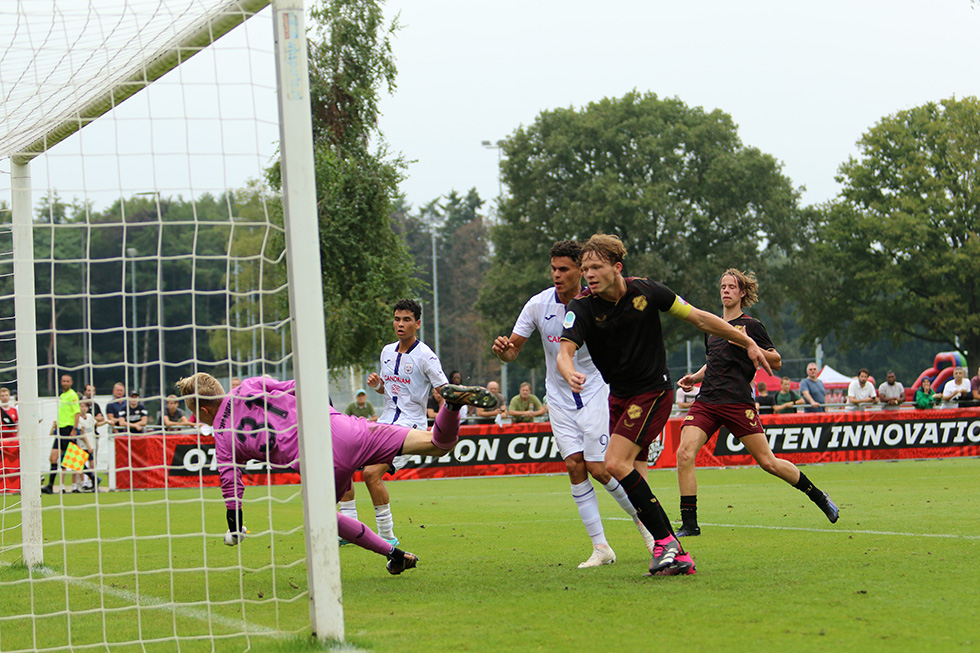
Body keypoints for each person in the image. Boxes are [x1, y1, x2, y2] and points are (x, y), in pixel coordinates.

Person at [557, 234, 772, 576]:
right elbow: (564, 351)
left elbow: (700, 318)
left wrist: (745, 340)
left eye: (596, 267)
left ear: (617, 267)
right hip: (620, 397)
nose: (589, 275)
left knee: (614, 462)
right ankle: (674, 551)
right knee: (632, 478)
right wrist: (569, 373)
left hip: (653, 391)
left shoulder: (647, 291)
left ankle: (668, 545)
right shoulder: (581, 307)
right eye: (585, 269)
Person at [176, 372, 497, 575]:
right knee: (437, 445)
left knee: (321, 517)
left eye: (193, 411)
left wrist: (235, 528)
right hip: (345, 427)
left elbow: (232, 488)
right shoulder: (250, 384)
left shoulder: (222, 437)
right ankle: (451, 406)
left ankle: (395, 554)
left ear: (203, 409)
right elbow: (302, 385)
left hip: (321, 457)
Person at [493, 240, 656, 569]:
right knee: (573, 466)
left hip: (594, 390)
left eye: (564, 269)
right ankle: (601, 547)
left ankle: (651, 528)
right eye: (553, 268)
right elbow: (513, 352)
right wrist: (503, 351)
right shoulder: (538, 305)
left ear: (580, 272)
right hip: (558, 395)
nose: (557, 275)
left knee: (601, 468)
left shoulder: (597, 303)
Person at [673, 269, 839, 540]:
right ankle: (690, 524)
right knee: (684, 453)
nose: (725, 290)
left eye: (731, 287)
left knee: (768, 463)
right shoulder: (712, 326)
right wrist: (695, 376)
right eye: (722, 286)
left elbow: (776, 361)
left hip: (738, 402)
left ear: (742, 293)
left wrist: (748, 345)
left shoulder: (751, 325)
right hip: (708, 400)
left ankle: (818, 496)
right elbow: (714, 361)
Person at [347, 299, 448, 546]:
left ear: (418, 324)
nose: (400, 324)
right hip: (384, 423)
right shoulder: (387, 352)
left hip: (409, 427)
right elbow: (390, 391)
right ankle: (348, 527)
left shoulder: (426, 356)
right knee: (345, 462)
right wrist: (378, 386)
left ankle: (387, 535)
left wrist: (443, 423)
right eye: (396, 319)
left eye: (406, 319)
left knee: (371, 474)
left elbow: (446, 392)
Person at [42, 374, 81, 494]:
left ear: (71, 382)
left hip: (68, 429)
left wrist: (74, 428)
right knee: (53, 458)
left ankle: (93, 480)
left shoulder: (72, 395)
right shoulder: (63, 395)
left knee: (74, 459)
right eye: (63, 381)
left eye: (67, 381)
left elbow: (77, 413)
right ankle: (50, 486)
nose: (65, 383)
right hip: (60, 429)